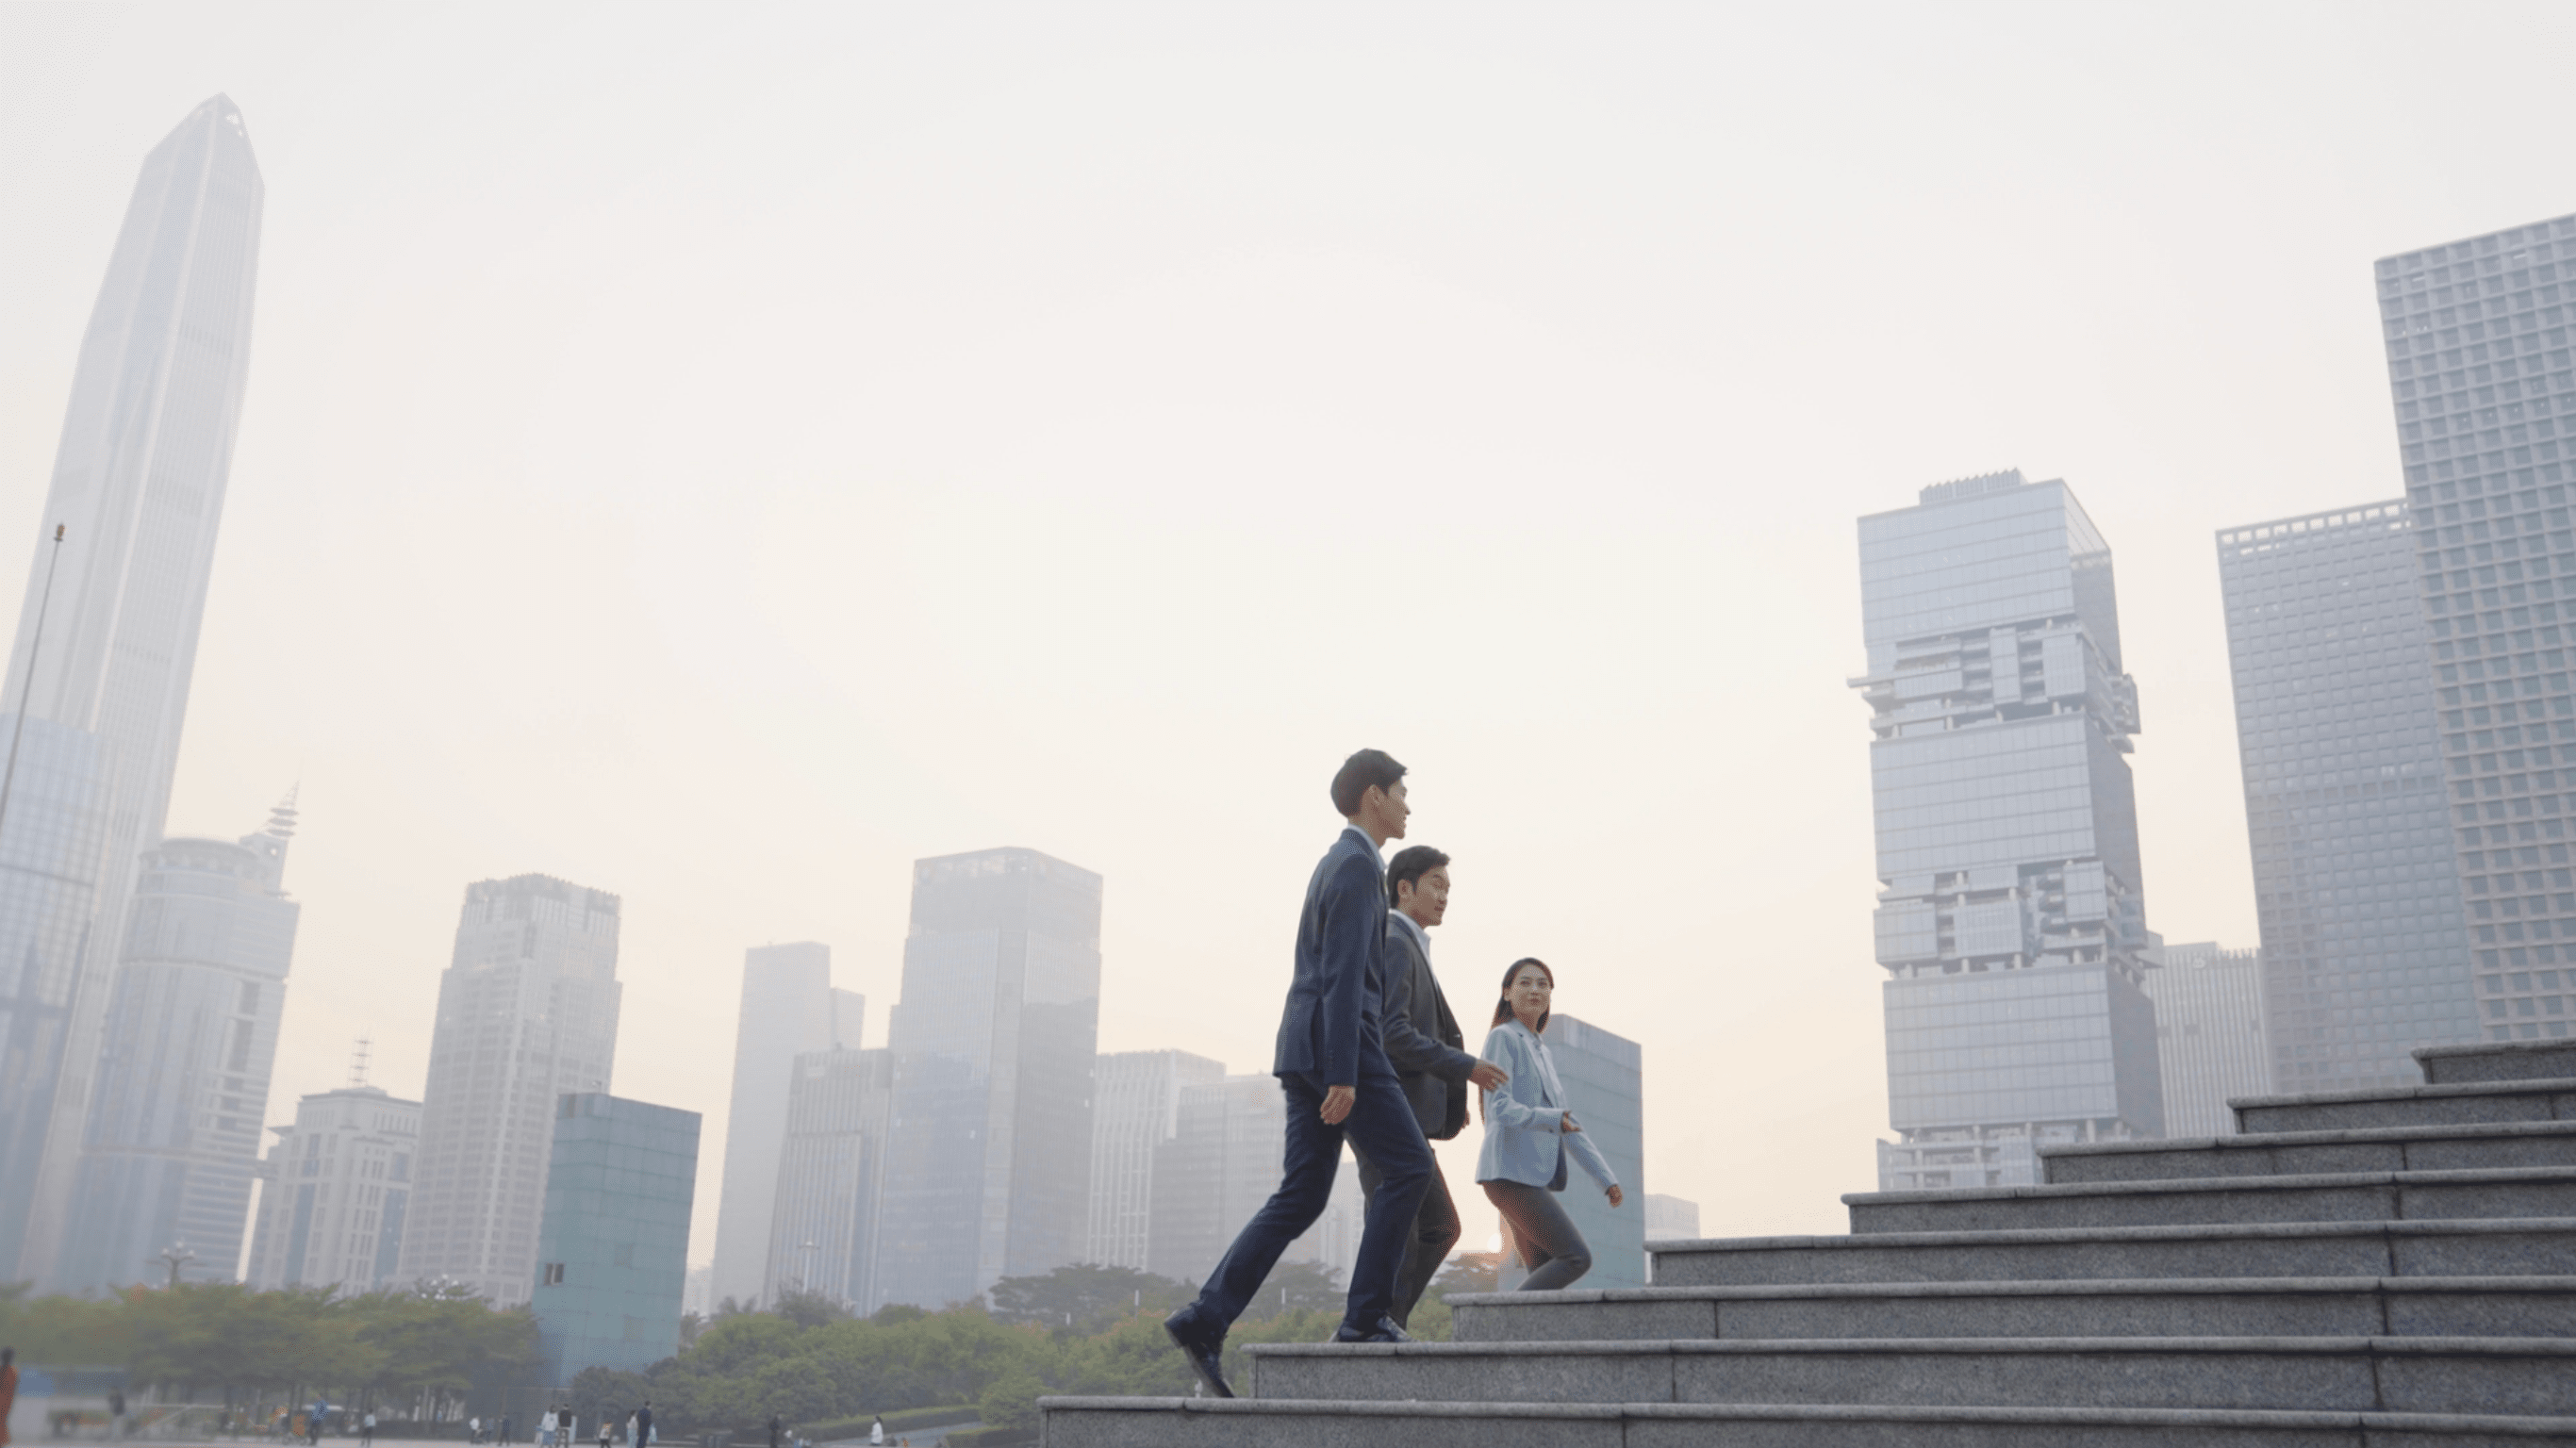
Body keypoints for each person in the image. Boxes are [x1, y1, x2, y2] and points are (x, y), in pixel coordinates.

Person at [1163, 749, 1436, 1397]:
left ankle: (1205, 1318)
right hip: (1344, 1049)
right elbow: (1343, 975)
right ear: (1373, 796)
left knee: (1303, 1194)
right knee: (1408, 1167)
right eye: (1401, 793)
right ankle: (1365, 1318)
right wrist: (1344, 1073)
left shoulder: (1339, 862)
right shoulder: (1356, 867)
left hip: (1305, 1048)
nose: (1408, 805)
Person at [1349, 845, 1506, 1329]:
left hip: (1406, 1115)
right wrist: (1464, 1068)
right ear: (1405, 887)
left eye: (1448, 888)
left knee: (1438, 1227)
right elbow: (1391, 1034)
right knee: (1409, 1228)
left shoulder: (1409, 944)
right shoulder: (1395, 941)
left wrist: (1445, 1095)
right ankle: (1370, 1328)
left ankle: (1381, 1325)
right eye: (1436, 884)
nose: (1444, 896)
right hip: (1383, 1111)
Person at [1476, 958, 1624, 1290]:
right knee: (1575, 1257)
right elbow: (1500, 1107)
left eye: (1543, 985)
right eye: (1525, 982)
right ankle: (1496, 1318)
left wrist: (1605, 1179)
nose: (1535, 990)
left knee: (1543, 1278)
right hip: (1508, 1173)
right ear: (1507, 992)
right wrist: (1551, 1118)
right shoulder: (1503, 1037)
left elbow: (1567, 1123)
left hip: (1527, 1174)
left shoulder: (1541, 1050)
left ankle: (1516, 1324)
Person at [1, 1347, 18, 1448]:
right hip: (7, 1401)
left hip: (4, 1400)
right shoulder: (13, 1371)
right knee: (2, 1421)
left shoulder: (7, 1371)